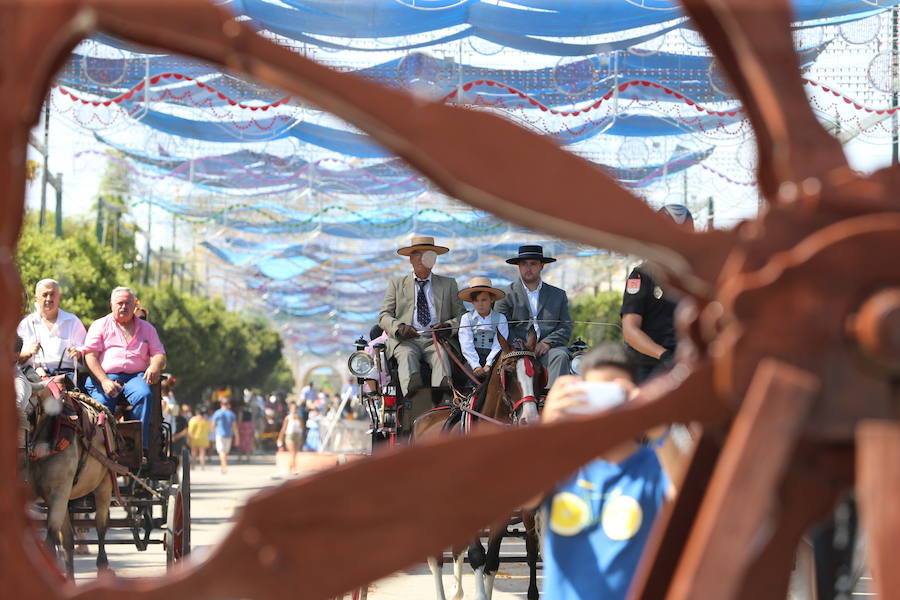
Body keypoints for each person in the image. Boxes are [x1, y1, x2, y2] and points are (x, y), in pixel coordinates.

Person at [537, 343, 688, 600]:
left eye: (615, 394)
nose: (605, 408)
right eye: (595, 393)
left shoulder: (653, 467)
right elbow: (516, 494)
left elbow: (690, 495)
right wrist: (548, 430)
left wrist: (658, 427)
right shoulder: (560, 465)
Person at [377, 234, 465, 398]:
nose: (422, 258)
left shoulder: (449, 284)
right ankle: (413, 401)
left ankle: (441, 403)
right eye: (417, 254)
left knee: (442, 359)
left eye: (427, 254)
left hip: (436, 340)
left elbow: (463, 316)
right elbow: (384, 315)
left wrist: (447, 326)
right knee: (407, 356)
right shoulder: (396, 284)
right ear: (410, 259)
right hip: (406, 340)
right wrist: (399, 328)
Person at [83, 286, 166, 451]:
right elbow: (90, 356)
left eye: (127, 303)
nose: (123, 307)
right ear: (111, 305)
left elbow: (159, 354)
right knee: (102, 404)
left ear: (134, 305)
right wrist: (104, 380)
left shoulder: (147, 329)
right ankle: (103, 447)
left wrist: (155, 366)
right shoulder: (100, 325)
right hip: (106, 376)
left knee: (145, 394)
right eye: (119, 303)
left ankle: (137, 446)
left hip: (136, 377)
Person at [620, 204, 693, 384]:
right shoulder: (642, 275)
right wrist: (665, 356)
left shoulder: (698, 276)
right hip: (650, 365)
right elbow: (630, 330)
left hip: (691, 364)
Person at [495, 245, 572, 387]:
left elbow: (565, 326)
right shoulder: (505, 295)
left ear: (541, 266)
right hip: (515, 352)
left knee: (561, 356)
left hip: (548, 351)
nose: (528, 268)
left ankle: (550, 401)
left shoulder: (558, 295)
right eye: (524, 264)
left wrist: (547, 343)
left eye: (533, 264)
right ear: (518, 266)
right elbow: (501, 328)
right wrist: (519, 347)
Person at [17, 278, 87, 377]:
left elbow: (87, 353)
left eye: (52, 294)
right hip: (35, 375)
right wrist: (27, 353)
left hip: (67, 375)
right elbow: (13, 359)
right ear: (37, 298)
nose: (49, 299)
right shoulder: (26, 324)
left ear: (59, 297)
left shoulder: (73, 321)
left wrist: (79, 354)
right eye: (45, 295)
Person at [457, 277, 509, 378]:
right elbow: (466, 343)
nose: (480, 304)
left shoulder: (500, 318)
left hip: (494, 356)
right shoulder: (466, 318)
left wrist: (489, 363)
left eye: (484, 300)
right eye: (476, 300)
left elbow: (499, 343)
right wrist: (475, 365)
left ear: (492, 299)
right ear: (472, 302)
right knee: (467, 378)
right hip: (472, 357)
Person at [210, 399, 239, 473]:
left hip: (219, 434)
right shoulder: (231, 413)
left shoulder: (217, 413)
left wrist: (212, 431)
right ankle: (224, 466)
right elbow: (234, 426)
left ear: (221, 404)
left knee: (221, 451)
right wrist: (237, 437)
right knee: (225, 451)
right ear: (228, 404)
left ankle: (224, 466)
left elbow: (213, 423)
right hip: (229, 434)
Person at [277, 402, 305, 475]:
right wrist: (280, 438)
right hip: (290, 435)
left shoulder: (299, 417)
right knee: (292, 452)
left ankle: (291, 467)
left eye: (296, 408)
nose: (294, 410)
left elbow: (302, 427)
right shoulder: (288, 418)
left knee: (295, 453)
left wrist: (298, 419)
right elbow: (283, 428)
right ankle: (292, 468)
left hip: (298, 435)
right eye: (293, 408)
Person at [187, 405, 211, 470]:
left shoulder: (193, 420)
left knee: (193, 452)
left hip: (194, 438)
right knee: (202, 452)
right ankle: (202, 466)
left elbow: (190, 430)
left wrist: (189, 439)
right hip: (203, 438)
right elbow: (209, 430)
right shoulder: (206, 420)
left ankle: (193, 466)